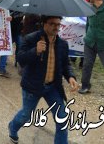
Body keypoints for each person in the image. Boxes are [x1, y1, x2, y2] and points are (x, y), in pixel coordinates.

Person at [8, 15, 79, 144]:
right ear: (44, 24)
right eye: (52, 24)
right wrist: (36, 50)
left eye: (58, 24)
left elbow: (65, 64)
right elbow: (21, 59)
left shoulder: (62, 44)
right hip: (33, 86)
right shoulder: (31, 39)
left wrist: (71, 77)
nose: (56, 27)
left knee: (62, 118)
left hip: (53, 87)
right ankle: (12, 127)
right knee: (26, 115)